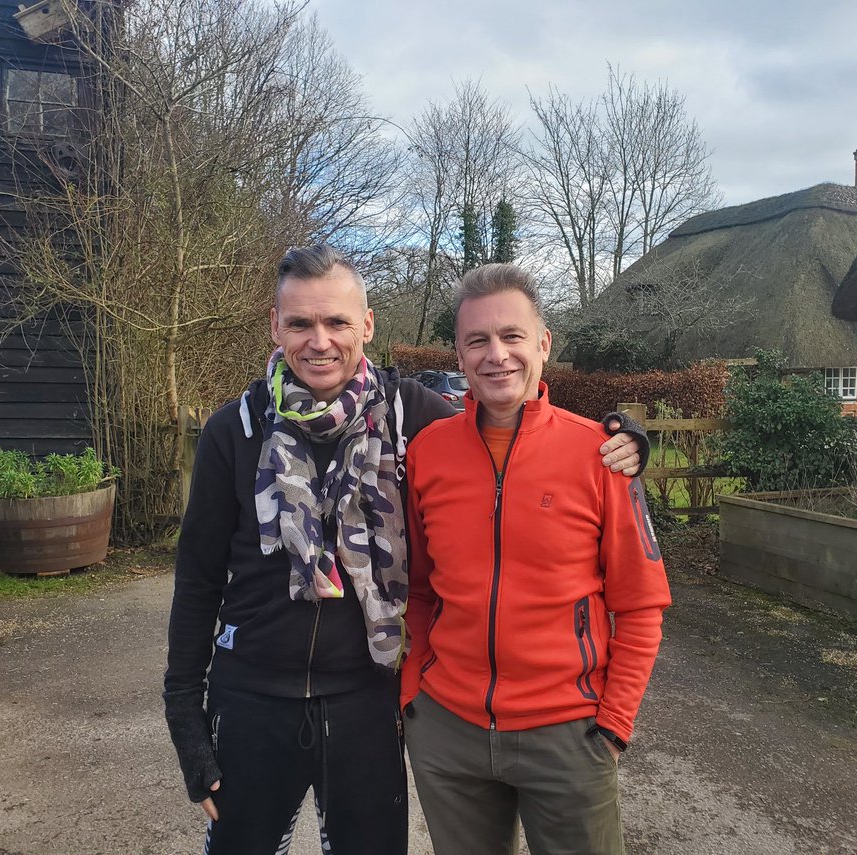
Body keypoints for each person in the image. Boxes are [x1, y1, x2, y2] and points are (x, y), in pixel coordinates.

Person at [162, 244, 648, 855]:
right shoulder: (233, 430)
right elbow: (199, 579)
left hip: (366, 703)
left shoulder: (410, 415)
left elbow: (499, 425)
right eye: (300, 323)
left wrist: (621, 437)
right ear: (275, 326)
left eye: (337, 322)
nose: (319, 341)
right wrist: (185, 719)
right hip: (252, 701)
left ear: (366, 325)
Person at [401, 262, 672, 855]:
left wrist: (614, 724)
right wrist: (414, 691)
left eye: (512, 335)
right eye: (477, 340)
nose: (496, 355)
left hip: (568, 735)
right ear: (459, 353)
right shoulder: (427, 454)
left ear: (544, 344)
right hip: (448, 731)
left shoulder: (602, 455)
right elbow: (420, 589)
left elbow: (642, 603)